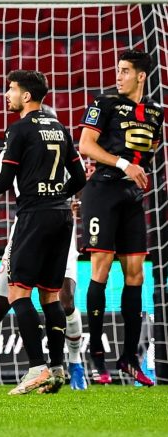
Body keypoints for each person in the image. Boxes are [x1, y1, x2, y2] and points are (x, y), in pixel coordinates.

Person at [0, 70, 86, 395]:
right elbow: (81, 177)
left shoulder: (20, 130)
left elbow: (2, 181)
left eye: (11, 90)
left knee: (17, 293)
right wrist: (58, 196)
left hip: (34, 218)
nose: (7, 95)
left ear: (27, 96)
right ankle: (56, 370)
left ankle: (37, 368)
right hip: (61, 218)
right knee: (51, 296)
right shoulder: (60, 128)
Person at [78, 50, 163, 386]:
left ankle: (129, 357)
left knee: (136, 274)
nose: (119, 76)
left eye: (125, 71)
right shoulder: (106, 103)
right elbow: (86, 145)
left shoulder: (155, 112)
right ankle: (96, 355)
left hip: (131, 197)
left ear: (142, 76)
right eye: (118, 70)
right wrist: (124, 164)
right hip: (101, 192)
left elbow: (150, 149)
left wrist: (137, 172)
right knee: (101, 267)